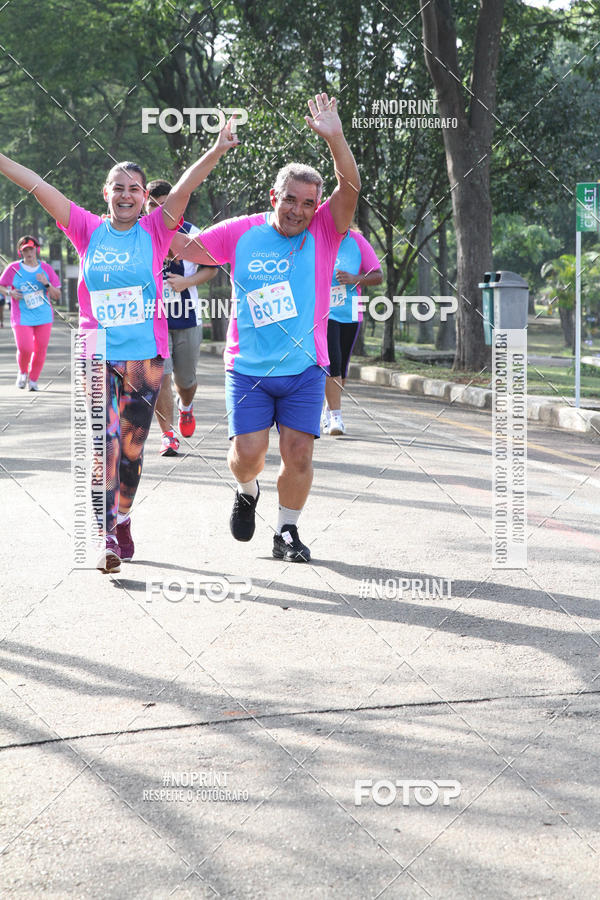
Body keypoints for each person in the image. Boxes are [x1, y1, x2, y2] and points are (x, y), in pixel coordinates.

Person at [0, 119, 238, 573]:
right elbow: (36, 185)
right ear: (105, 193)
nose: (126, 195)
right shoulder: (85, 227)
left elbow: (185, 187)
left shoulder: (157, 230)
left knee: (131, 448)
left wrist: (216, 149)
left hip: (145, 356)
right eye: (118, 187)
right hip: (96, 351)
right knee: (101, 444)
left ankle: (123, 516)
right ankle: (104, 532)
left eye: (134, 189)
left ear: (145, 196)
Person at [172, 93, 359, 563]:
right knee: (249, 454)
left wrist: (336, 137)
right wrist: (146, 216)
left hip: (305, 367)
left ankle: (287, 531)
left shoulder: (324, 231)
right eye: (290, 200)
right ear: (274, 198)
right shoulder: (241, 231)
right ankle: (247, 489)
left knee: (299, 453)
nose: (298, 210)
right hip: (249, 368)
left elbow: (350, 188)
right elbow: (180, 245)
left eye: (308, 203)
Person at [144, 180, 218, 456]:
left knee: (185, 381)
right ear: (145, 205)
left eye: (165, 204)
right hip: (153, 320)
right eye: (153, 205)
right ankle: (168, 436)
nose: (159, 210)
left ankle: (185, 406)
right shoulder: (138, 232)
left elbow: (212, 268)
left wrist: (186, 282)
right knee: (160, 378)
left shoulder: (192, 233)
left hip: (186, 317)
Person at [323, 228, 383, 435]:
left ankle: (329, 408)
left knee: (342, 366)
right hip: (323, 312)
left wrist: (354, 278)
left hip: (349, 313)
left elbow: (378, 276)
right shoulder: (317, 236)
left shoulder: (357, 241)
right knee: (333, 361)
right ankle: (336, 417)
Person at [0, 235, 61, 389]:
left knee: (40, 350)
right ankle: (22, 372)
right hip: (21, 316)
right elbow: (1, 285)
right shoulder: (13, 268)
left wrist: (46, 283)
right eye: (25, 250)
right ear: (20, 252)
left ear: (37, 250)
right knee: (25, 348)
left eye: (31, 249)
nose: (29, 253)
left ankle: (33, 380)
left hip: (44, 316)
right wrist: (10, 292)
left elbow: (57, 295)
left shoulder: (46, 269)